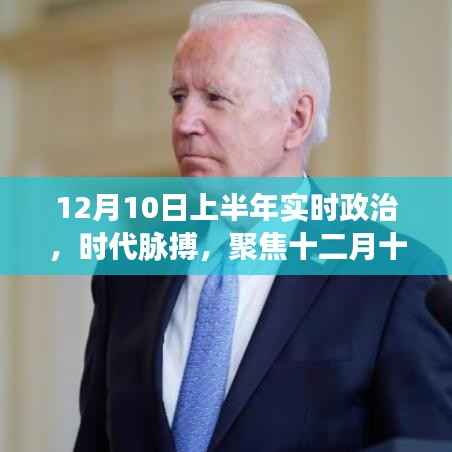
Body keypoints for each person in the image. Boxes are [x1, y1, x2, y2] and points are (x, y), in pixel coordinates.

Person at [74, 1, 452, 451]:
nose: (185, 122)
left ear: (296, 120)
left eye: (215, 98)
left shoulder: (395, 277)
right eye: (178, 97)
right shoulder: (127, 267)